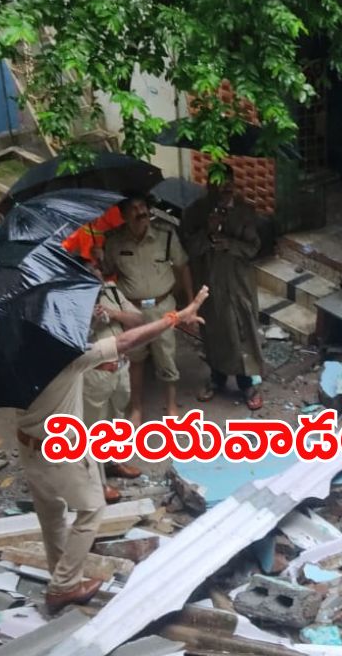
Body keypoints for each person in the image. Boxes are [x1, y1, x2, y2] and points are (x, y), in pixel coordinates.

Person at [14, 284, 207, 611]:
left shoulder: (16, 353)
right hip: (61, 451)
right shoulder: (68, 358)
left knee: (52, 513)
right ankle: (62, 587)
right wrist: (175, 317)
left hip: (29, 448)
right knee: (91, 510)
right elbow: (126, 341)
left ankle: (63, 577)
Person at [180, 172, 265, 410]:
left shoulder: (245, 212)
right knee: (214, 332)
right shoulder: (196, 212)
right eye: (220, 184)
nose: (226, 188)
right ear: (209, 185)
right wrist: (208, 232)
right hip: (209, 284)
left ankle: (246, 384)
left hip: (238, 284)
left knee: (242, 334)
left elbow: (253, 248)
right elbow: (188, 249)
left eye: (229, 183)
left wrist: (231, 244)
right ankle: (217, 379)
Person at [102, 197, 193, 418]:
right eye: (133, 208)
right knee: (135, 359)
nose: (139, 212)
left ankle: (171, 406)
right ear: (123, 215)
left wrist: (190, 304)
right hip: (132, 311)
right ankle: (136, 408)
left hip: (163, 306)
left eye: (142, 206)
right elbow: (106, 273)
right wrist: (99, 257)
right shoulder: (114, 241)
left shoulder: (166, 235)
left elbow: (182, 267)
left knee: (167, 357)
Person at [82, 249, 145, 501]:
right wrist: (91, 323)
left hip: (120, 370)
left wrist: (114, 314)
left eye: (96, 268)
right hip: (95, 375)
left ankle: (113, 461)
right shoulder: (71, 304)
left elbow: (139, 320)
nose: (95, 273)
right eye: (89, 271)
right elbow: (67, 343)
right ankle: (97, 482)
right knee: (93, 428)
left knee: (115, 420)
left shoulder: (112, 292)